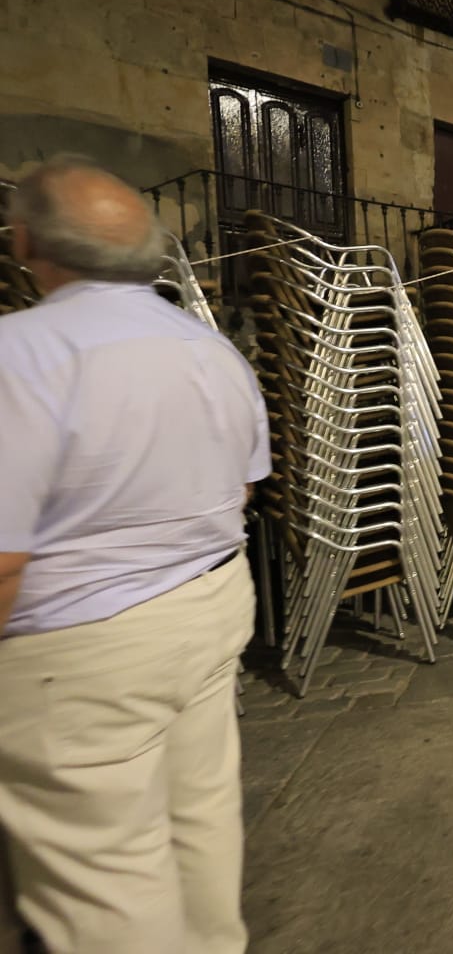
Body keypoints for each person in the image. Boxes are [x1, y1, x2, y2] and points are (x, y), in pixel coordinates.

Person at [0, 158, 269, 953]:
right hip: (212, 604)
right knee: (201, 819)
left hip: (77, 644)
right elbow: (244, 489)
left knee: (106, 879)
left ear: (24, 241)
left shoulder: (20, 353)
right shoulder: (212, 351)